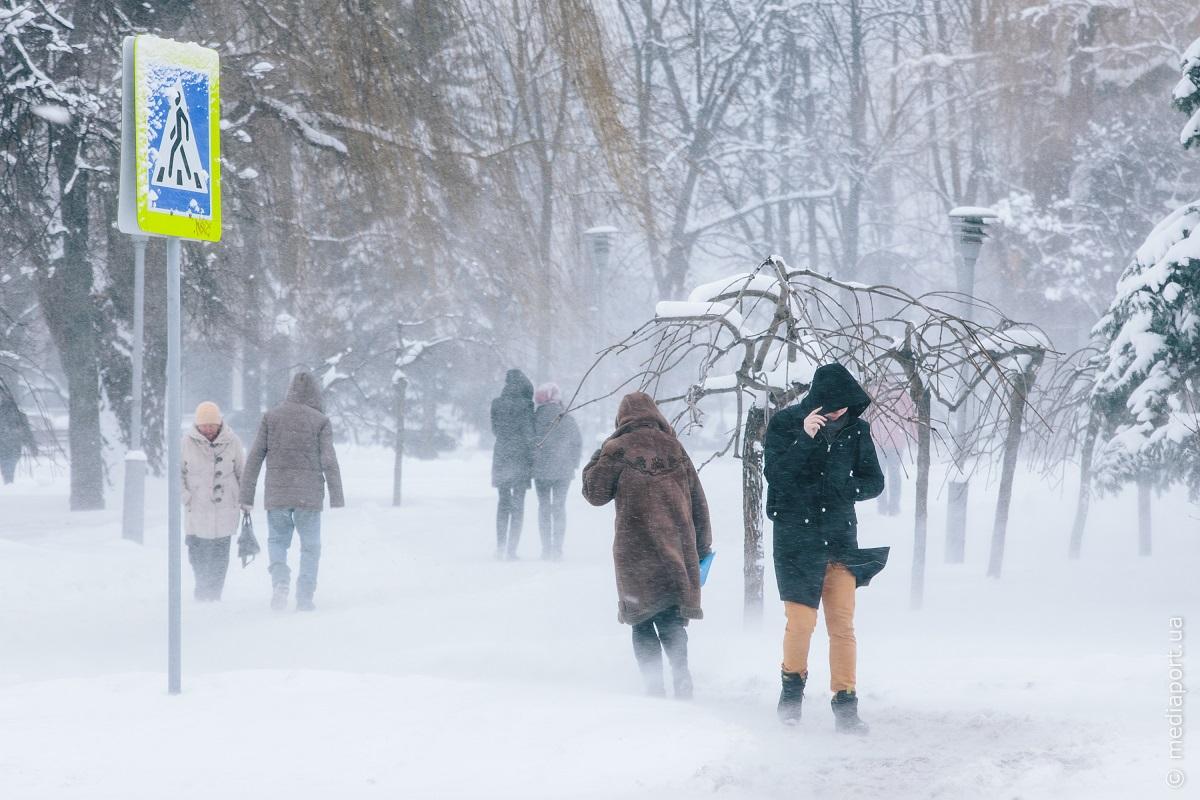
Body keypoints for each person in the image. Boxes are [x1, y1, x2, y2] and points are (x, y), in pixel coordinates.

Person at [764, 363, 886, 733]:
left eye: (844, 407)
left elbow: (874, 482)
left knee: (842, 626)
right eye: (831, 408)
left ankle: (845, 704)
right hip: (796, 541)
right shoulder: (785, 424)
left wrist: (845, 489)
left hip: (839, 539)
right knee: (801, 624)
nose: (837, 414)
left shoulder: (857, 431)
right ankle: (791, 691)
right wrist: (804, 438)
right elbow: (777, 477)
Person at [582, 392, 712, 699]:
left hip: (634, 553)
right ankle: (682, 676)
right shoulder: (675, 448)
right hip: (675, 549)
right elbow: (698, 502)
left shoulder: (616, 450)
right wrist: (702, 547)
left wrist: (599, 454)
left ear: (621, 419)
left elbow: (594, 493)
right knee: (670, 617)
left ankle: (654, 686)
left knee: (642, 621)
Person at [240, 372, 344, 612]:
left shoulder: (271, 417)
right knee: (310, 546)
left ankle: (280, 579)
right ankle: (305, 595)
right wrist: (336, 496)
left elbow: (255, 457)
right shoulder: (320, 421)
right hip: (308, 497)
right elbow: (329, 459)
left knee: (277, 541)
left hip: (277, 494)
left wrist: (246, 496)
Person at [182, 401, 245, 601]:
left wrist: (244, 500)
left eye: (212, 425)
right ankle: (202, 590)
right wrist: (186, 497)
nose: (208, 429)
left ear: (219, 424)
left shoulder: (232, 441)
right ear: (197, 425)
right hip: (197, 508)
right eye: (204, 425)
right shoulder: (185, 443)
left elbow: (242, 473)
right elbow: (177, 474)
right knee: (198, 554)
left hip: (225, 508)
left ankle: (215, 593)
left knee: (220, 555)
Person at [532, 383, 582, 560]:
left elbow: (530, 442)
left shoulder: (535, 418)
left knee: (544, 507)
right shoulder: (566, 417)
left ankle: (546, 549)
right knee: (559, 507)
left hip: (541, 471)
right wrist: (574, 463)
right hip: (563, 470)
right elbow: (577, 442)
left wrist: (534, 461)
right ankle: (558, 549)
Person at [491, 369, 534, 560]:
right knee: (518, 505)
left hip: (501, 455)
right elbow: (528, 434)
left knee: (503, 503)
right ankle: (511, 549)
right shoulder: (526, 405)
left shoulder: (497, 404)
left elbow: (495, 429)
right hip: (520, 458)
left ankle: (500, 546)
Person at [0, 388, 38, 484]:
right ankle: (8, 481)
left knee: (6, 465)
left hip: (5, 446)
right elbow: (27, 432)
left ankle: (8, 481)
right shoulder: (20, 415)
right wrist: (32, 446)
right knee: (9, 465)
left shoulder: (15, 415)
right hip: (13, 446)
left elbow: (26, 432)